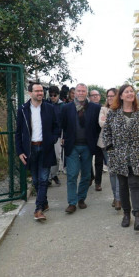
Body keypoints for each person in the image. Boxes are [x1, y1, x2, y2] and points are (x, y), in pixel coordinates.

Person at [103, 84, 139, 231]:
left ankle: (138, 217)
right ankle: (126, 214)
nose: (130, 93)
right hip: (119, 156)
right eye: (126, 92)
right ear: (121, 96)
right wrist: (111, 150)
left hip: (136, 155)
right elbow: (107, 133)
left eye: (132, 91)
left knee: (135, 185)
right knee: (122, 186)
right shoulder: (112, 113)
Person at [15, 82, 60, 221]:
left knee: (43, 179)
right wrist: (19, 151)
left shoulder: (49, 108)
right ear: (30, 93)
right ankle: (44, 202)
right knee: (35, 180)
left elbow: (57, 127)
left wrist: (52, 139)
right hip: (30, 149)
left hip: (45, 148)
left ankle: (38, 209)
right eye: (37, 91)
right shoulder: (23, 109)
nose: (40, 93)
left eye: (41, 91)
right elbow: (18, 133)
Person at [60, 83, 101, 213]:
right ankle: (72, 203)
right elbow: (63, 125)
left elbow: (98, 126)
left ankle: (81, 198)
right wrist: (63, 137)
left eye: (83, 91)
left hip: (88, 146)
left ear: (86, 93)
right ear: (75, 93)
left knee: (86, 175)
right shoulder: (66, 108)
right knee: (72, 174)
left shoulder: (95, 108)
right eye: (79, 91)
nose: (81, 93)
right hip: (72, 146)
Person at [98, 88, 121, 210]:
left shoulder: (122, 109)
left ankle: (118, 198)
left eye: (113, 96)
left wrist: (108, 120)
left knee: (119, 171)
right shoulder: (103, 109)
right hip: (106, 145)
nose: (110, 98)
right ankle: (116, 197)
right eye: (108, 96)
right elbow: (101, 124)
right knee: (112, 172)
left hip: (121, 145)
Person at [47, 85, 64, 186]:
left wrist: (63, 136)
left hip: (57, 134)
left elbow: (65, 122)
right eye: (51, 95)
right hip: (46, 134)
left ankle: (54, 174)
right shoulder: (45, 103)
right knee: (47, 156)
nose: (53, 97)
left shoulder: (63, 106)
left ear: (58, 95)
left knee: (57, 156)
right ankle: (48, 177)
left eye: (55, 95)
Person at [88, 89, 104, 191]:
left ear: (99, 97)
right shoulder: (86, 108)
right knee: (87, 160)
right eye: (92, 95)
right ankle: (90, 176)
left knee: (99, 162)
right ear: (89, 97)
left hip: (100, 138)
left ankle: (98, 182)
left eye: (96, 95)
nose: (95, 97)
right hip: (89, 138)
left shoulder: (103, 108)